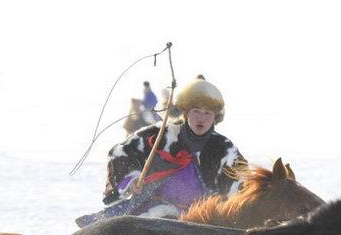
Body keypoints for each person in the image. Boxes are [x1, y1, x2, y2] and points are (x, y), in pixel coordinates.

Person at [97, 75, 245, 220]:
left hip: (202, 219)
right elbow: (121, 153)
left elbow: (243, 185)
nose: (202, 118)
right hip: (153, 212)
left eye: (208, 113)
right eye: (196, 111)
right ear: (185, 113)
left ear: (215, 117)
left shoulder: (224, 149)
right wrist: (131, 181)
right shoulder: (160, 136)